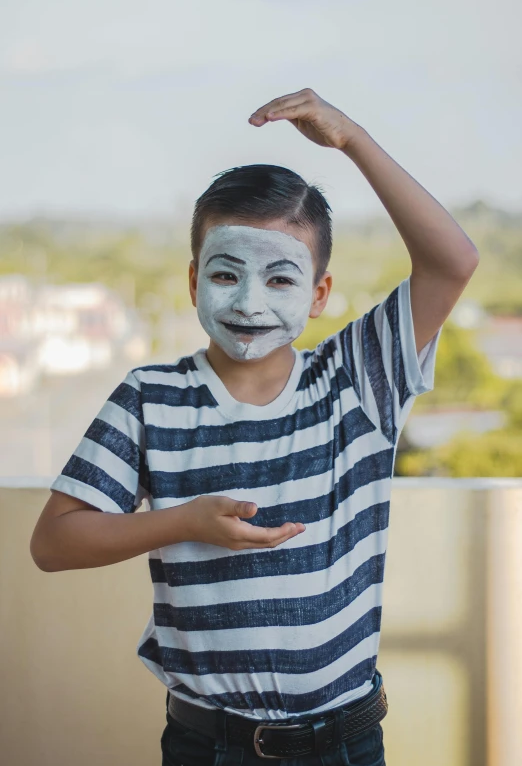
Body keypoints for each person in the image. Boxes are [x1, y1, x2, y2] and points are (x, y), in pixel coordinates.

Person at [30, 88, 479, 766]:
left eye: (279, 279)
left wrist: (351, 137)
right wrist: (184, 521)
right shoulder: (150, 397)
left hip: (346, 740)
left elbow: (453, 262)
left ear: (320, 293)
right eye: (225, 273)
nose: (247, 301)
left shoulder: (358, 378)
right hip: (208, 743)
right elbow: (54, 542)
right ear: (192, 280)